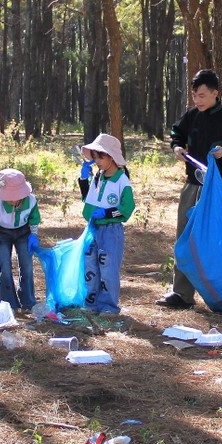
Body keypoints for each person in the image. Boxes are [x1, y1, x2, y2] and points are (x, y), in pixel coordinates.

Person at [157, 69, 222, 310]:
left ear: (215, 94)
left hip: (218, 189)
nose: (197, 101)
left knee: (215, 241)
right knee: (184, 238)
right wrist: (177, 147)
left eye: (202, 96)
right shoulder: (192, 116)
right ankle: (181, 294)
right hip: (192, 184)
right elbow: (177, 133)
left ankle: (220, 295)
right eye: (195, 96)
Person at [78, 133, 135, 315]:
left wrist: (108, 212)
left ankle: (109, 306)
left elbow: (127, 207)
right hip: (93, 228)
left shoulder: (121, 180)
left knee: (108, 268)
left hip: (111, 230)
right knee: (90, 265)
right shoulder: (98, 177)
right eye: (94, 157)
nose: (97, 161)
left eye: (101, 156)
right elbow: (88, 198)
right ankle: (91, 303)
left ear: (112, 157)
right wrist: (83, 180)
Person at [0, 169, 41, 311]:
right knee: (5, 267)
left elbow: (34, 221)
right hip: (2, 233)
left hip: (23, 233)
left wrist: (33, 235)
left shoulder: (31, 201)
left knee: (26, 266)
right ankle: (8, 304)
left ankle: (28, 301)